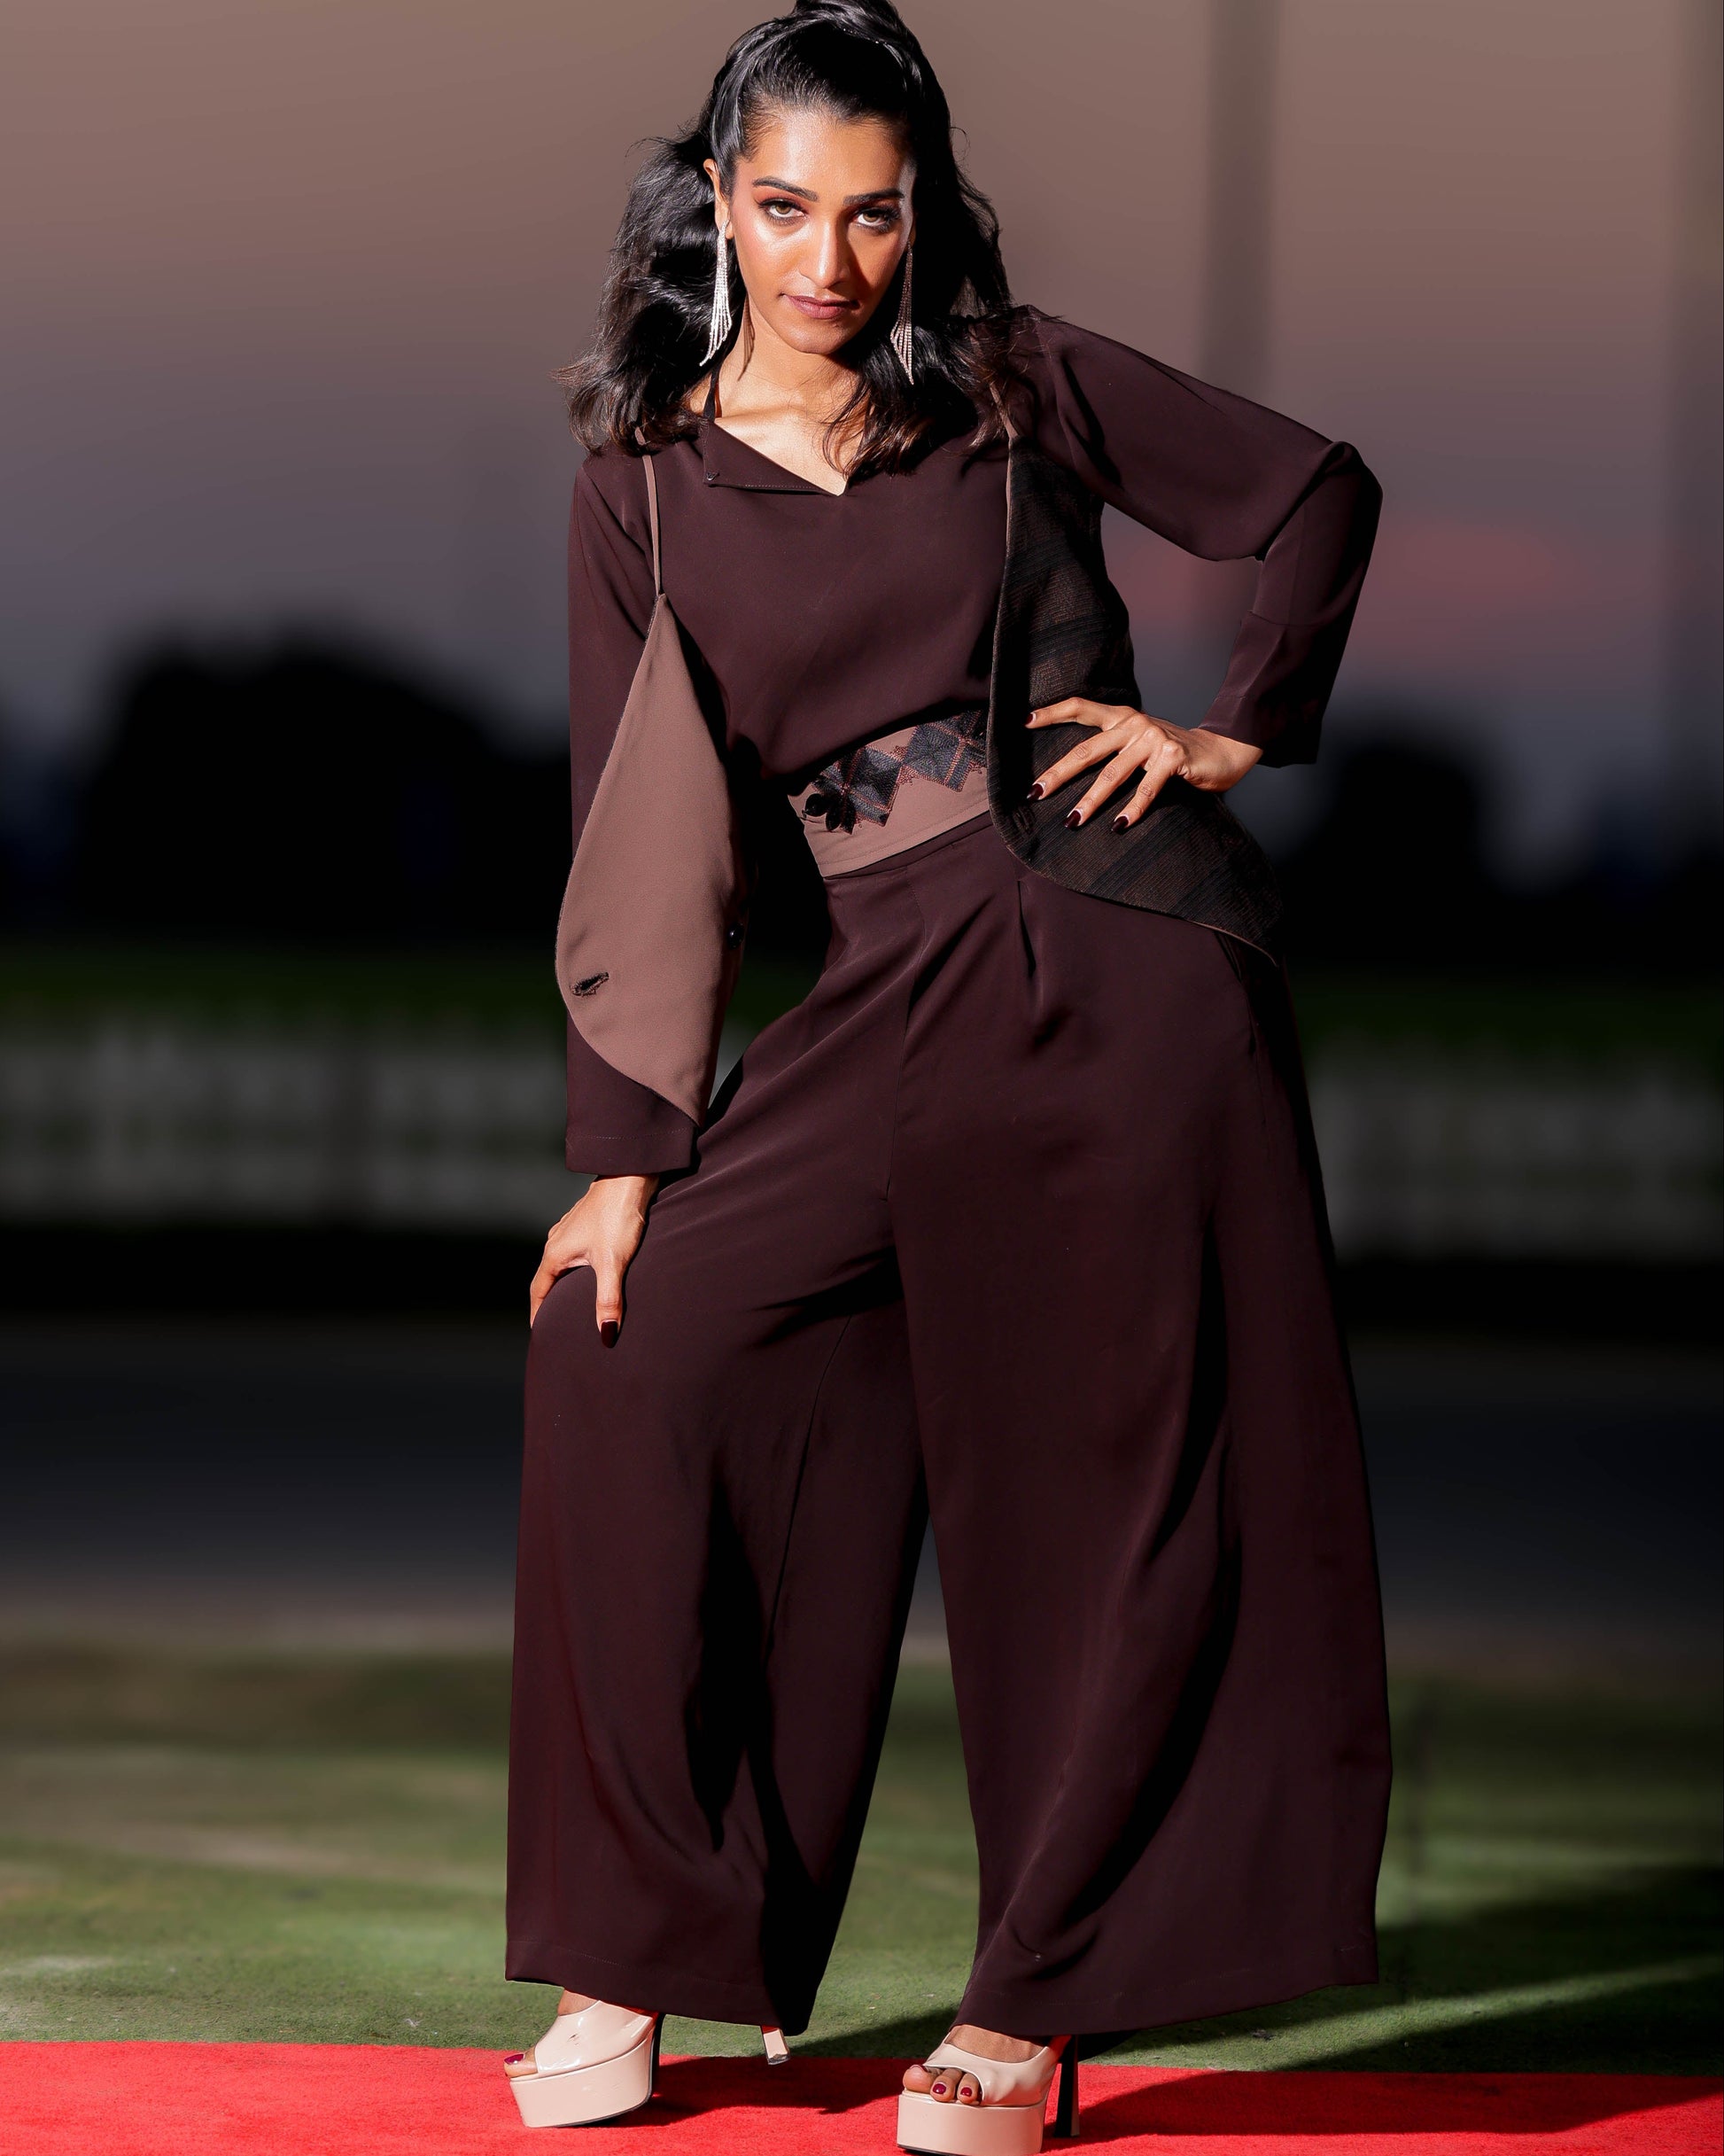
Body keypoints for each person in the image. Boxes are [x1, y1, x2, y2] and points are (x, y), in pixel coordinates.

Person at [503, 3, 1390, 2146]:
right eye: (786, 206)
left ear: (925, 214)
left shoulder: (1009, 383)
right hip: (876, 975)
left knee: (1096, 1484)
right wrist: (625, 1152)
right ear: (714, 202)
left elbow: (1310, 493)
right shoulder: (643, 488)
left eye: (876, 214)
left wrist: (1237, 723)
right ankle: (648, 1941)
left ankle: (1033, 1995)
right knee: (636, 1343)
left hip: (1115, 953)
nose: (831, 259)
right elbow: (640, 834)